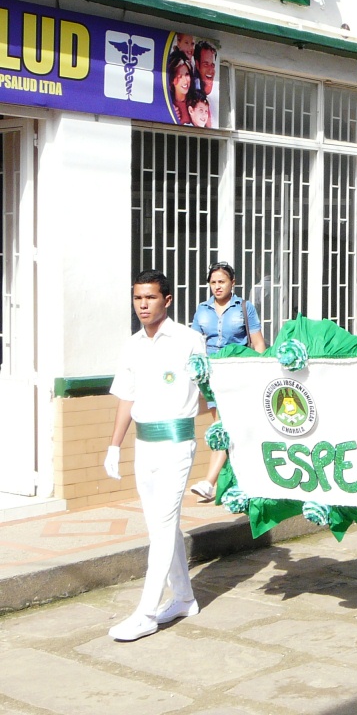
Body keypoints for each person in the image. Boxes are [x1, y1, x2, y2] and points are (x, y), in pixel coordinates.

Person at [104, 270, 208, 641]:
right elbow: (126, 398)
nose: (143, 305)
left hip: (178, 444)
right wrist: (114, 445)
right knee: (161, 527)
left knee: (163, 526)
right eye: (137, 299)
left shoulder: (189, 340)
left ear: (167, 299)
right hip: (143, 445)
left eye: (149, 298)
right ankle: (183, 598)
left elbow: (209, 392)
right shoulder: (131, 345)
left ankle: (146, 612)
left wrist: (221, 450)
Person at [189, 262, 267, 501]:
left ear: (232, 283)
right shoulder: (202, 310)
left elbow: (258, 342)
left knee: (226, 424)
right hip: (211, 376)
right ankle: (230, 481)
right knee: (223, 425)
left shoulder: (244, 307)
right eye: (213, 282)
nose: (217, 287)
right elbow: (193, 343)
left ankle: (209, 482)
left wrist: (262, 371)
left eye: (221, 282)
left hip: (237, 372)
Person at [194, 40, 218, 126]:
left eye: (212, 65)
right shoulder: (190, 97)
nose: (210, 70)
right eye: (205, 64)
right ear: (197, 65)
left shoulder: (214, 100)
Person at [167, 50, 192, 125]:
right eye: (180, 76)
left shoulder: (196, 102)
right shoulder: (167, 106)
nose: (185, 81)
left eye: (187, 75)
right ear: (172, 80)